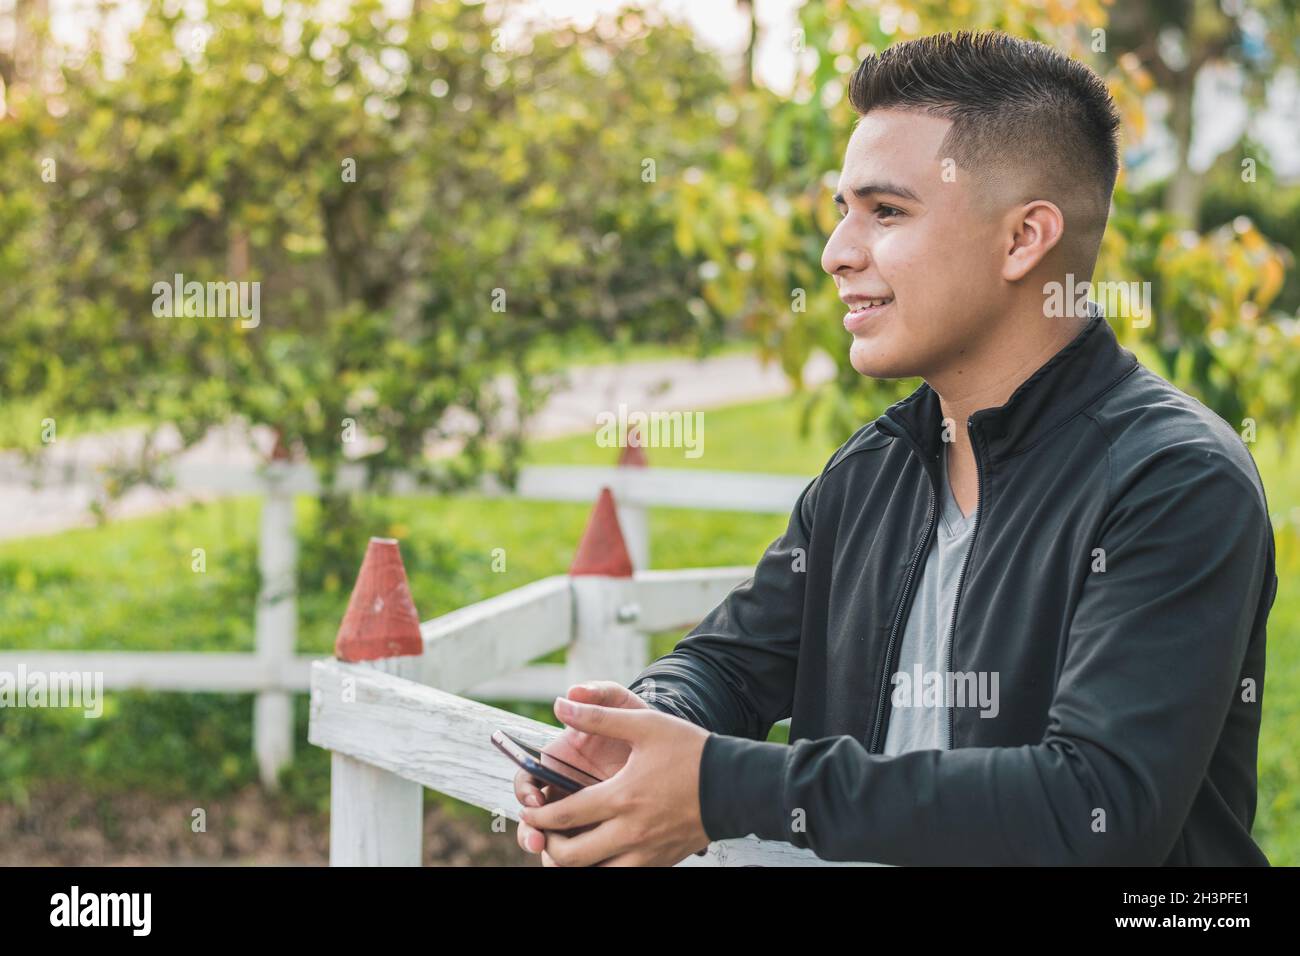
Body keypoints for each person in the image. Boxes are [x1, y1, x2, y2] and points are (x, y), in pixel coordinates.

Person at [513, 30, 1278, 866]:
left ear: (1025, 240)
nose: (838, 253)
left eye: (886, 212)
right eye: (843, 212)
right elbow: (729, 665)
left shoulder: (1175, 479)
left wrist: (722, 787)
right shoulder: (873, 469)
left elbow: (1095, 807)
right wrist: (639, 727)